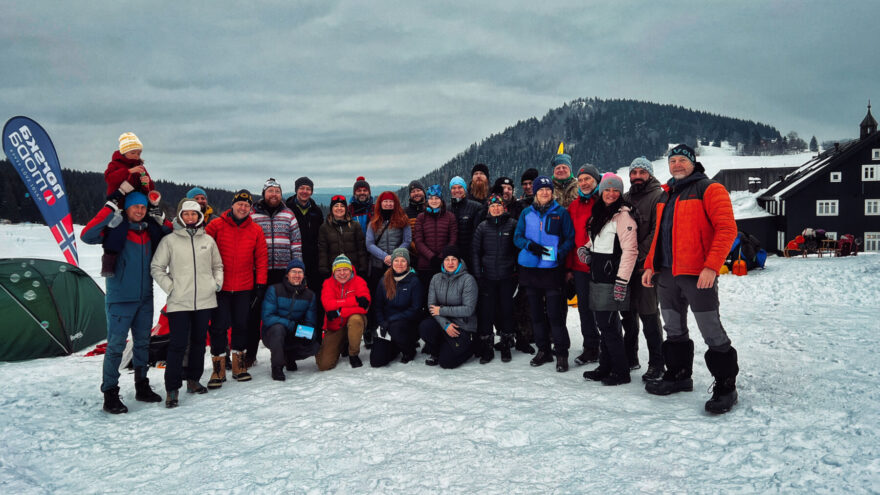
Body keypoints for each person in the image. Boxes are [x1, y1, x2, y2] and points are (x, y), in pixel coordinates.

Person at [642, 144, 740, 414]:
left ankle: (726, 386)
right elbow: (658, 236)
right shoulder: (666, 195)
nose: (677, 164)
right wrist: (650, 265)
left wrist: (712, 266)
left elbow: (727, 229)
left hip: (698, 276)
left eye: (682, 160)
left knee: (712, 331)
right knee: (673, 330)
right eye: (672, 160)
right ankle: (679, 375)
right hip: (667, 275)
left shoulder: (710, 189)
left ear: (693, 163)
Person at [80, 191, 171, 414]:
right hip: (120, 299)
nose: (139, 211)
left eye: (143, 207)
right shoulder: (114, 228)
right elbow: (86, 235)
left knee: (142, 344)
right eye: (135, 207)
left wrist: (159, 214)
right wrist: (110, 207)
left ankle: (142, 385)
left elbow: (172, 232)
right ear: (127, 208)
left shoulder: (151, 231)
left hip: (144, 298)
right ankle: (110, 393)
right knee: (115, 348)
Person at [151, 199, 223, 407]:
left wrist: (216, 283)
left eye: (194, 214)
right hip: (179, 302)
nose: (190, 217)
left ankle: (193, 380)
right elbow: (157, 267)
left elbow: (217, 265)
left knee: (199, 344)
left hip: (205, 301)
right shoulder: (170, 241)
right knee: (178, 345)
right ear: (180, 216)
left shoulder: (207, 240)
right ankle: (172, 389)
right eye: (186, 214)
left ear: (199, 217)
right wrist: (171, 287)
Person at [579, 174, 639, 386]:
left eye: (615, 190)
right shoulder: (600, 214)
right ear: (601, 191)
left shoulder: (623, 216)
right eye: (607, 189)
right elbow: (596, 240)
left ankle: (621, 371)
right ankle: (606, 366)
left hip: (612, 278)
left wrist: (622, 281)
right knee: (605, 324)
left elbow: (631, 250)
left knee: (608, 325)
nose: (611, 193)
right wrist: (586, 249)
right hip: (598, 275)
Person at [205, 189, 268, 385]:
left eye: (247, 205)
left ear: (250, 209)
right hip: (220, 287)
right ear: (232, 205)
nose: (243, 208)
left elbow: (261, 258)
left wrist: (260, 284)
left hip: (244, 286)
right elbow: (203, 252)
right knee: (218, 327)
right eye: (240, 204)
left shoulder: (255, 230)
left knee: (242, 326)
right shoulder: (216, 225)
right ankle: (218, 369)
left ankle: (239, 365)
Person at [513, 176, 575, 372]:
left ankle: (562, 353)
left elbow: (570, 238)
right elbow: (517, 237)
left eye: (548, 189)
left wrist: (558, 254)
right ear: (536, 192)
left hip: (552, 271)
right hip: (530, 271)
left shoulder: (561, 213)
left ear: (552, 192)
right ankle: (543, 351)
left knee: (555, 315)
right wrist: (529, 245)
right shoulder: (526, 213)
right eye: (541, 190)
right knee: (536, 314)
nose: (545, 193)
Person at [249, 178, 303, 367]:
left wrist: (297, 271)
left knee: (286, 313)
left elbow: (296, 245)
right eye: (270, 191)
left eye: (277, 191)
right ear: (264, 193)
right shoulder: (252, 214)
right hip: (259, 272)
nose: (274, 194)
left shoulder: (288, 214)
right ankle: (250, 354)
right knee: (254, 314)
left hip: (283, 272)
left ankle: (287, 353)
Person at [621, 157, 665, 381]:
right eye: (633, 172)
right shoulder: (626, 198)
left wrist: (638, 254)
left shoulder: (658, 196)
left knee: (649, 315)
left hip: (646, 267)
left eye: (641, 172)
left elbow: (658, 231)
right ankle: (631, 357)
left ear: (649, 174)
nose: (637, 176)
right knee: (627, 314)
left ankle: (657, 364)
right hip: (625, 268)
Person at [100, 132, 157, 277]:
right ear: (124, 151)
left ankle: (156, 258)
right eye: (133, 152)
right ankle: (109, 262)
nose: (137, 156)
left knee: (154, 227)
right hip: (119, 204)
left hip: (137, 203)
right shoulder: (115, 164)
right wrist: (129, 171)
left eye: (139, 153)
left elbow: (149, 187)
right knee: (117, 230)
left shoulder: (140, 166)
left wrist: (146, 183)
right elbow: (110, 178)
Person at [471, 193, 518, 363]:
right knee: (487, 312)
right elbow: (475, 252)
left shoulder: (512, 224)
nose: (496, 208)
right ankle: (487, 347)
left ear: (503, 207)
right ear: (488, 209)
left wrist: (516, 273)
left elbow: (518, 249)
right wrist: (478, 275)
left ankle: (506, 344)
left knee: (506, 310)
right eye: (492, 206)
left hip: (507, 276)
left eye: (498, 205)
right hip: (488, 277)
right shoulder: (482, 227)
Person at [566, 164, 602, 366]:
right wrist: (569, 268)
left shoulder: (604, 202)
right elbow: (571, 239)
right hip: (580, 268)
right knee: (584, 310)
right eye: (580, 180)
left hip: (601, 266)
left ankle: (608, 344)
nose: (584, 183)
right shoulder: (574, 206)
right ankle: (591, 346)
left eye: (588, 179)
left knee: (603, 309)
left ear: (596, 181)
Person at [419, 245, 478, 369]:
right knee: (425, 326)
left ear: (459, 261)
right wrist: (445, 324)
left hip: (462, 326)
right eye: (447, 259)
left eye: (453, 259)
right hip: (443, 324)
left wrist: (441, 310)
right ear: (443, 261)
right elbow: (431, 307)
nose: (450, 263)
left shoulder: (468, 280)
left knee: (446, 363)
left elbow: (468, 309)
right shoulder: (436, 278)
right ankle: (436, 351)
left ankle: (472, 347)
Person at [365, 191, 412, 345]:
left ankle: (398, 330)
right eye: (385, 202)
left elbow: (407, 240)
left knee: (397, 298)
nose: (388, 204)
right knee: (378, 299)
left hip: (398, 266)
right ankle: (375, 330)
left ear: (395, 203)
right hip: (379, 265)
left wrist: (395, 257)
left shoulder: (402, 220)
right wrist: (384, 256)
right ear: (380, 204)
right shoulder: (374, 221)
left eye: (391, 201)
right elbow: (369, 244)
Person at [261, 259, 319, 380]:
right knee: (278, 329)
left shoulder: (310, 295)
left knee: (313, 341)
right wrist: (291, 325)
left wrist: (304, 332)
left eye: (300, 272)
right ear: (287, 274)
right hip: (272, 334)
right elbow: (268, 317)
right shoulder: (274, 290)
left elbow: (310, 322)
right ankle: (277, 367)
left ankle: (289, 357)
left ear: (303, 275)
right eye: (294, 272)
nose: (297, 275)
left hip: (293, 332)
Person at [370, 248, 423, 367]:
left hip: (406, 324)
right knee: (376, 361)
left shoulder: (414, 281)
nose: (399, 264)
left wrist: (391, 320)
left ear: (408, 263)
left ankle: (409, 350)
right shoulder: (384, 280)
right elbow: (377, 306)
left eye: (403, 261)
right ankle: (395, 346)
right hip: (386, 324)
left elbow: (415, 309)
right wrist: (382, 322)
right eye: (396, 260)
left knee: (396, 327)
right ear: (391, 262)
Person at [317, 255, 370, 370]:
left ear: (350, 270)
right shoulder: (327, 283)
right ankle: (343, 343)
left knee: (355, 319)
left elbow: (364, 306)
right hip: (335, 326)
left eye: (345, 269)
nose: (342, 273)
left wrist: (339, 310)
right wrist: (354, 301)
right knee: (324, 365)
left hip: (353, 323)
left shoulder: (359, 281)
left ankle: (353, 354)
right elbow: (328, 305)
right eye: (338, 270)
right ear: (333, 271)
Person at [286, 176, 325, 325]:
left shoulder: (316, 211)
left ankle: (314, 335)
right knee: (295, 300)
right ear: (296, 190)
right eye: (302, 188)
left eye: (308, 189)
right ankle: (294, 337)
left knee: (314, 298)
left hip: (313, 262)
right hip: (293, 262)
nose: (305, 191)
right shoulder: (287, 209)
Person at [511, 167, 540, 354]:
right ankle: (524, 333)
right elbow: (517, 234)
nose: (528, 187)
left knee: (543, 300)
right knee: (523, 299)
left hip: (547, 261)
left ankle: (544, 333)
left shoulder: (551, 205)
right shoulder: (519, 205)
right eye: (525, 184)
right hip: (524, 260)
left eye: (531, 183)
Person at [413, 184, 458, 304]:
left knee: (444, 297)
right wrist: (431, 256)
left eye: (436, 198)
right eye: (431, 198)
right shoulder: (421, 217)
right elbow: (418, 241)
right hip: (425, 264)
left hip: (445, 264)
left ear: (441, 199)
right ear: (427, 200)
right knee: (427, 295)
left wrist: (443, 256)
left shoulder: (450, 217)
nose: (434, 201)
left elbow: (453, 239)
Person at [318, 195, 368, 283]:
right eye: (336, 206)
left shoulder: (355, 225)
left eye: (342, 206)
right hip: (333, 270)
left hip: (353, 269)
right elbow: (322, 251)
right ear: (331, 209)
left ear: (346, 208)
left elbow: (361, 249)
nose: (339, 208)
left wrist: (363, 267)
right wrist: (324, 269)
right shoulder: (325, 227)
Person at [448, 176, 484, 270]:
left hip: (471, 255)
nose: (457, 190)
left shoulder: (476, 207)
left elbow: (478, 234)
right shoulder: (447, 209)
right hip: (453, 257)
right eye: (454, 188)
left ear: (464, 189)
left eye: (460, 187)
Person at [405, 180, 427, 267]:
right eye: (413, 191)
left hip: (430, 254)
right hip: (411, 256)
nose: (416, 193)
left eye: (418, 190)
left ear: (423, 192)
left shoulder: (430, 209)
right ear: (410, 195)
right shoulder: (405, 212)